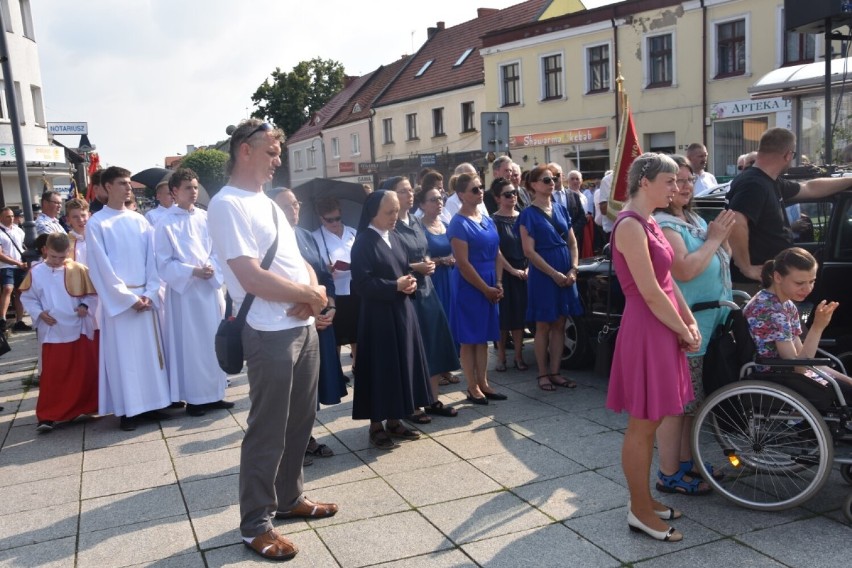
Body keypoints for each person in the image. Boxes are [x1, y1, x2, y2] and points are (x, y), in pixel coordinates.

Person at [207, 119, 336, 562]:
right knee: (268, 430)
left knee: (300, 421)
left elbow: (296, 259)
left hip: (300, 327)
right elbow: (249, 275)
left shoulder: (268, 203)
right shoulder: (227, 205)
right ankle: (256, 524)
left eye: (279, 153)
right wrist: (309, 296)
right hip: (266, 332)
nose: (278, 160)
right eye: (271, 152)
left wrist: (313, 293)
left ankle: (289, 497)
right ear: (245, 150)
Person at [606, 153, 700, 543]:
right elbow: (647, 291)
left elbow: (667, 281)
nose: (675, 187)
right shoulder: (630, 225)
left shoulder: (647, 221)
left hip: (660, 326)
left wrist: (688, 318)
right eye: (668, 181)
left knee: (654, 420)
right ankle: (640, 509)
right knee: (642, 426)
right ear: (645, 182)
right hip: (647, 329)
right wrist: (682, 327)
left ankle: (644, 501)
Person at [652, 155, 736, 496]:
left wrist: (723, 237)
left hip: (703, 326)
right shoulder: (664, 224)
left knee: (692, 405)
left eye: (688, 180)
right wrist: (715, 239)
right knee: (676, 408)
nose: (684, 186)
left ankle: (686, 464)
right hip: (682, 330)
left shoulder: (693, 219)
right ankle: (668, 473)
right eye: (676, 180)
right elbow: (684, 270)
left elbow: (720, 258)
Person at [86, 166, 172, 432]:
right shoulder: (97, 223)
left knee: (149, 353)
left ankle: (153, 403)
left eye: (128, 183)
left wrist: (148, 293)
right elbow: (100, 268)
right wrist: (127, 298)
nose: (128, 188)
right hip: (122, 302)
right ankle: (129, 410)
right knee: (125, 357)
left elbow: (153, 259)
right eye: (122, 183)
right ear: (108, 186)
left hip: (145, 296)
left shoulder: (139, 220)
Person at [350, 190, 433, 449]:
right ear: (373, 213)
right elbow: (362, 284)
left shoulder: (394, 237)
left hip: (401, 311)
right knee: (380, 368)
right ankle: (376, 425)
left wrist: (408, 281)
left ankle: (395, 419)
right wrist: (394, 285)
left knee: (401, 367)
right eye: (389, 212)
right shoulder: (364, 242)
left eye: (396, 211)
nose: (394, 217)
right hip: (378, 318)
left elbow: (401, 268)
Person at [273, 187, 346, 462]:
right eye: (286, 205)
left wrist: (331, 306)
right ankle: (291, 443)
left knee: (310, 386)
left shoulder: (305, 236)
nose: (294, 210)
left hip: (320, 319)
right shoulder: (270, 241)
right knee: (291, 389)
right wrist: (311, 312)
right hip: (292, 322)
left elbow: (324, 278)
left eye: (296, 204)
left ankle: (306, 436)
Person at [728, 128, 852, 285]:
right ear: (787, 155)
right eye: (793, 156)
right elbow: (736, 221)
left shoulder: (769, 181)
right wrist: (746, 267)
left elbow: (809, 188)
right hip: (758, 282)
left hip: (773, 277)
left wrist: (849, 180)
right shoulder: (754, 184)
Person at [154, 168, 233, 417]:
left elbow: (219, 250)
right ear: (174, 191)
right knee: (192, 345)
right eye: (188, 188)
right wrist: (192, 271)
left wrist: (211, 268)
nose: (194, 192)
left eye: (196, 187)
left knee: (213, 341)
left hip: (209, 290)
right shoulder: (164, 223)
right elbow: (163, 263)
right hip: (186, 294)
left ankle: (216, 394)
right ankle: (197, 399)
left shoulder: (205, 217)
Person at [388, 177, 460, 420]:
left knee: (434, 344)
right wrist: (414, 267)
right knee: (412, 349)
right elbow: (388, 261)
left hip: (427, 289)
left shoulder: (416, 221)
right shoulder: (390, 226)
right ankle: (412, 405)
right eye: (402, 191)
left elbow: (424, 248)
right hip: (408, 293)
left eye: (410, 190)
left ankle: (432, 399)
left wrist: (428, 262)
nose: (409, 195)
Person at [19, 233, 98, 433]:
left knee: (82, 370)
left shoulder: (78, 269)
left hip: (77, 327)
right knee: (54, 374)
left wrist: (84, 306)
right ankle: (48, 415)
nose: (57, 261)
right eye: (53, 256)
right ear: (46, 250)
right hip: (53, 330)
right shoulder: (36, 272)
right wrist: (38, 313)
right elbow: (28, 298)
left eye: (61, 257)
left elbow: (92, 295)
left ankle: (85, 406)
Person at [744, 248, 852, 393]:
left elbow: (802, 356)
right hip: (778, 380)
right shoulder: (772, 311)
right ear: (778, 277)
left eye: (812, 281)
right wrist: (817, 327)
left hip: (791, 374)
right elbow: (799, 368)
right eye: (799, 283)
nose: (807, 289)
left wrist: (848, 381)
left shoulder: (785, 304)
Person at [517, 165, 582, 390]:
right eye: (546, 179)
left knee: (560, 323)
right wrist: (554, 274)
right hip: (544, 275)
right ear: (533, 185)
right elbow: (529, 252)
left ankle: (556, 371)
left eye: (553, 178)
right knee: (543, 324)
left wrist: (573, 269)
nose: (551, 182)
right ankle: (542, 374)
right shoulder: (527, 214)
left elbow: (573, 242)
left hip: (565, 270)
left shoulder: (561, 209)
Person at [448, 173, 507, 405]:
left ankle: (484, 382)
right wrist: (485, 288)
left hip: (490, 281)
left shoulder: (486, 218)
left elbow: (497, 253)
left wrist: (499, 283)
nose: (480, 191)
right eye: (474, 189)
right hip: (469, 285)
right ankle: (471, 387)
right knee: (468, 338)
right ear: (461, 195)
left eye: (481, 187)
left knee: (483, 338)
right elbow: (463, 263)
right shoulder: (458, 223)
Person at [312, 197, 359, 371]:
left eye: (337, 218)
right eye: (329, 219)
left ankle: (357, 364)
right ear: (320, 218)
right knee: (337, 331)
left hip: (354, 287)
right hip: (334, 291)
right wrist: (325, 268)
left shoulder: (353, 232)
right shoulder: (315, 237)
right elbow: (313, 265)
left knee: (356, 329)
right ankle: (336, 369)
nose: (334, 222)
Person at [491, 178, 528, 372]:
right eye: (507, 194)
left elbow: (530, 245)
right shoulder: (494, 220)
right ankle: (501, 356)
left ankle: (519, 357)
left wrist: (527, 268)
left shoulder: (522, 216)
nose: (512, 196)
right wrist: (512, 270)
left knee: (520, 317)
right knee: (504, 318)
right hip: (504, 272)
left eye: (514, 193)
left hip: (524, 271)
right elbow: (496, 251)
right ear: (498, 198)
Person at [0, 207, 28, 332]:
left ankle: (19, 320)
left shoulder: (18, 230)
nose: (11, 218)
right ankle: (2, 319)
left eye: (12, 216)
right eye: (7, 216)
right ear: (1, 218)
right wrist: (17, 262)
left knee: (20, 292)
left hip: (20, 265)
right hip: (6, 266)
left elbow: (23, 247)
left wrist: (24, 261)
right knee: (8, 288)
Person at [65, 198, 90, 265]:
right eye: (75, 217)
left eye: (83, 215)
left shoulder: (97, 238)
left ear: (89, 215)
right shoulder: (65, 243)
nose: (80, 220)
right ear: (68, 219)